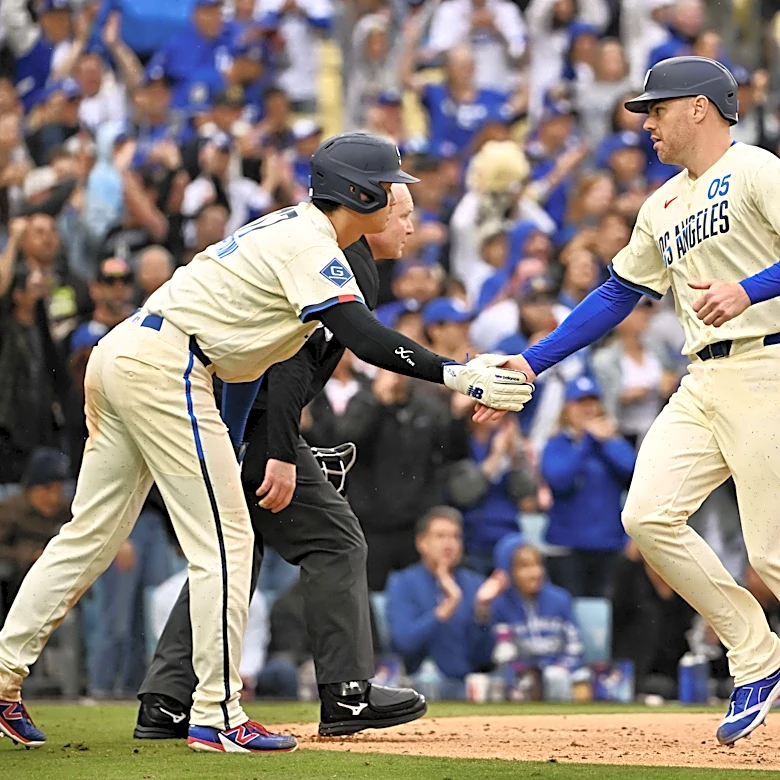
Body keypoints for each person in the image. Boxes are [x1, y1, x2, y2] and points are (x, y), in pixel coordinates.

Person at [0, 131, 532, 753]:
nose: (398, 199)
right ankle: (217, 715)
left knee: (88, 536)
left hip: (130, 354)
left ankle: (3, 679)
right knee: (228, 540)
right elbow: (361, 336)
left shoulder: (297, 230)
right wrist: (459, 373)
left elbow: (255, 364)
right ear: (358, 192)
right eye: (390, 188)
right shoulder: (313, 243)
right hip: (168, 364)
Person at [492, 56, 780, 745]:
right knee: (648, 515)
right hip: (702, 379)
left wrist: (750, 288)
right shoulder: (661, 204)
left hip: (767, 362)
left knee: (773, 558)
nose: (647, 122)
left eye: (658, 109)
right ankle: (755, 655)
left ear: (701, 109)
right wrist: (533, 363)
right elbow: (618, 294)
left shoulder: (758, 170)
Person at [134, 183, 434, 739]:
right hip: (248, 416)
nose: (410, 227)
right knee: (334, 541)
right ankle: (347, 694)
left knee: (232, 556)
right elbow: (291, 359)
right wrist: (278, 449)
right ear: (369, 212)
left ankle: (167, 699)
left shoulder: (327, 246)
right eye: (403, 214)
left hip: (214, 405)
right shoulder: (350, 260)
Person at [540, 376, 635, 598]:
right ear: (567, 408)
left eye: (592, 402)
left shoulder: (612, 442)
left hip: (609, 546)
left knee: (606, 614)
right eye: (580, 402)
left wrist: (606, 441)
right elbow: (559, 480)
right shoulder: (556, 444)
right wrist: (588, 442)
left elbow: (633, 472)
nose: (587, 408)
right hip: (567, 548)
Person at [386, 506, 494, 700]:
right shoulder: (402, 583)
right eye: (441, 536)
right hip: (416, 684)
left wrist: (483, 612)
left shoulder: (475, 584)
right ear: (421, 543)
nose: (449, 544)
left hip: (463, 683)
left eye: (455, 537)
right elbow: (403, 643)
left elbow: (483, 657)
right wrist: (445, 609)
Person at [476, 535, 585, 702]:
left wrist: (563, 667)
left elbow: (575, 645)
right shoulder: (499, 605)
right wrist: (483, 606)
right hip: (518, 678)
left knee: (558, 678)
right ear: (507, 571)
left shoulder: (560, 599)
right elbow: (496, 654)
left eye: (537, 564)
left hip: (559, 673)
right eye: (524, 566)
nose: (535, 573)